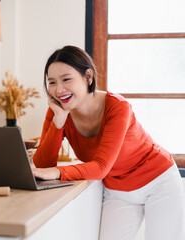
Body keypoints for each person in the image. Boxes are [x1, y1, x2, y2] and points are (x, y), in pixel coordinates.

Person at [32, 45, 185, 240]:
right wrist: (59, 121)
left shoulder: (117, 107)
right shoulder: (58, 112)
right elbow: (43, 164)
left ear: (88, 77)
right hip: (118, 190)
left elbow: (101, 167)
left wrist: (58, 172)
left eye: (66, 79)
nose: (58, 89)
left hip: (158, 181)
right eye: (52, 82)